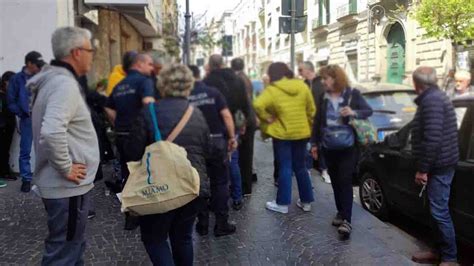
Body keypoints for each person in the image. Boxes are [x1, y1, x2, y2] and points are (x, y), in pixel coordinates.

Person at [27, 26, 100, 265]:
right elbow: (51, 131)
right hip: (66, 187)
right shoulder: (63, 85)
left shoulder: (55, 82)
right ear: (77, 52)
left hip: (64, 187)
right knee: (63, 253)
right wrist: (66, 167)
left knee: (71, 247)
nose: (93, 55)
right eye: (91, 50)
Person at [125, 64, 209, 265]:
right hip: (190, 186)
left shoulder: (149, 112)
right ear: (189, 85)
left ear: (161, 85)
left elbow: (132, 151)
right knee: (183, 237)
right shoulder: (196, 113)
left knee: (154, 239)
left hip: (157, 186)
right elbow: (208, 149)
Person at [310, 64, 373, 238]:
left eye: (326, 78)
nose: (323, 81)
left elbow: (368, 111)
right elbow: (317, 121)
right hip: (329, 147)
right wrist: (314, 144)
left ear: (335, 78)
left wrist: (353, 112)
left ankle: (347, 220)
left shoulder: (352, 94)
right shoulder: (324, 97)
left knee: (345, 180)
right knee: (336, 181)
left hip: (348, 147)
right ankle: (340, 212)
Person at [410, 67, 459, 266]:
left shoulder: (432, 101)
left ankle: (450, 257)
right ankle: (437, 251)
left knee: (439, 211)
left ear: (416, 84)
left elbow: (432, 138)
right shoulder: (434, 98)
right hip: (439, 163)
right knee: (434, 210)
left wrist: (423, 169)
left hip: (439, 165)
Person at [253, 62, 316, 214]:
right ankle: (306, 202)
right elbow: (312, 110)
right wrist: (307, 125)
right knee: (301, 167)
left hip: (282, 134)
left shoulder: (273, 90)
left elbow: (257, 104)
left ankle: (282, 204)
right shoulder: (302, 86)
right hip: (301, 133)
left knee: (285, 167)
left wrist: (268, 118)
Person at [188, 65, 238, 236]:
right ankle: (221, 223)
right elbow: (226, 115)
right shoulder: (213, 92)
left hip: (195, 145)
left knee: (198, 183)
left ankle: (202, 224)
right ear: (198, 75)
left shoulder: (185, 97)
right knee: (220, 183)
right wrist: (232, 137)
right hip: (217, 141)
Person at [203, 54, 251, 211]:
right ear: (223, 64)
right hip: (233, 125)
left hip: (213, 126)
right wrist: (242, 123)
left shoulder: (207, 81)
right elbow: (245, 103)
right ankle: (237, 197)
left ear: (210, 65)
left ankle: (215, 197)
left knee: (212, 164)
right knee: (233, 161)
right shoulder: (236, 80)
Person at [105, 52, 155, 189]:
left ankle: (129, 205)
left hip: (121, 135)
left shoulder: (119, 85)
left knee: (127, 172)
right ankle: (145, 206)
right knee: (145, 174)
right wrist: (155, 130)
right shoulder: (145, 81)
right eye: (150, 64)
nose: (152, 68)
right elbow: (148, 102)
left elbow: (108, 107)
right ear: (139, 64)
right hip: (140, 136)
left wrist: (118, 123)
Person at [7, 51, 45, 192]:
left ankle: (44, 178)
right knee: (25, 150)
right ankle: (26, 179)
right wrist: (22, 112)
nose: (39, 67)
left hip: (43, 117)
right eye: (37, 64)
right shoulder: (16, 79)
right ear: (29, 63)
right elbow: (10, 101)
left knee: (46, 148)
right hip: (27, 119)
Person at [298, 61, 331, 184]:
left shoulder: (321, 84)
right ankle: (307, 170)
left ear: (308, 70)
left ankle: (324, 170)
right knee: (307, 146)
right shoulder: (302, 85)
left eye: (301, 70)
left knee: (322, 145)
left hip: (320, 120)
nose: (299, 73)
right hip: (305, 121)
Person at [231, 58, 258, 196]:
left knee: (243, 155)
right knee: (247, 153)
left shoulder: (238, 80)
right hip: (250, 118)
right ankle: (246, 185)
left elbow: (243, 103)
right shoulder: (246, 78)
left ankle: (245, 187)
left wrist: (241, 123)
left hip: (244, 119)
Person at [0, 71, 16, 187]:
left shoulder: (10, 94)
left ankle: (5, 172)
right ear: (5, 81)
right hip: (2, 126)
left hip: (9, 126)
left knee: (5, 150)